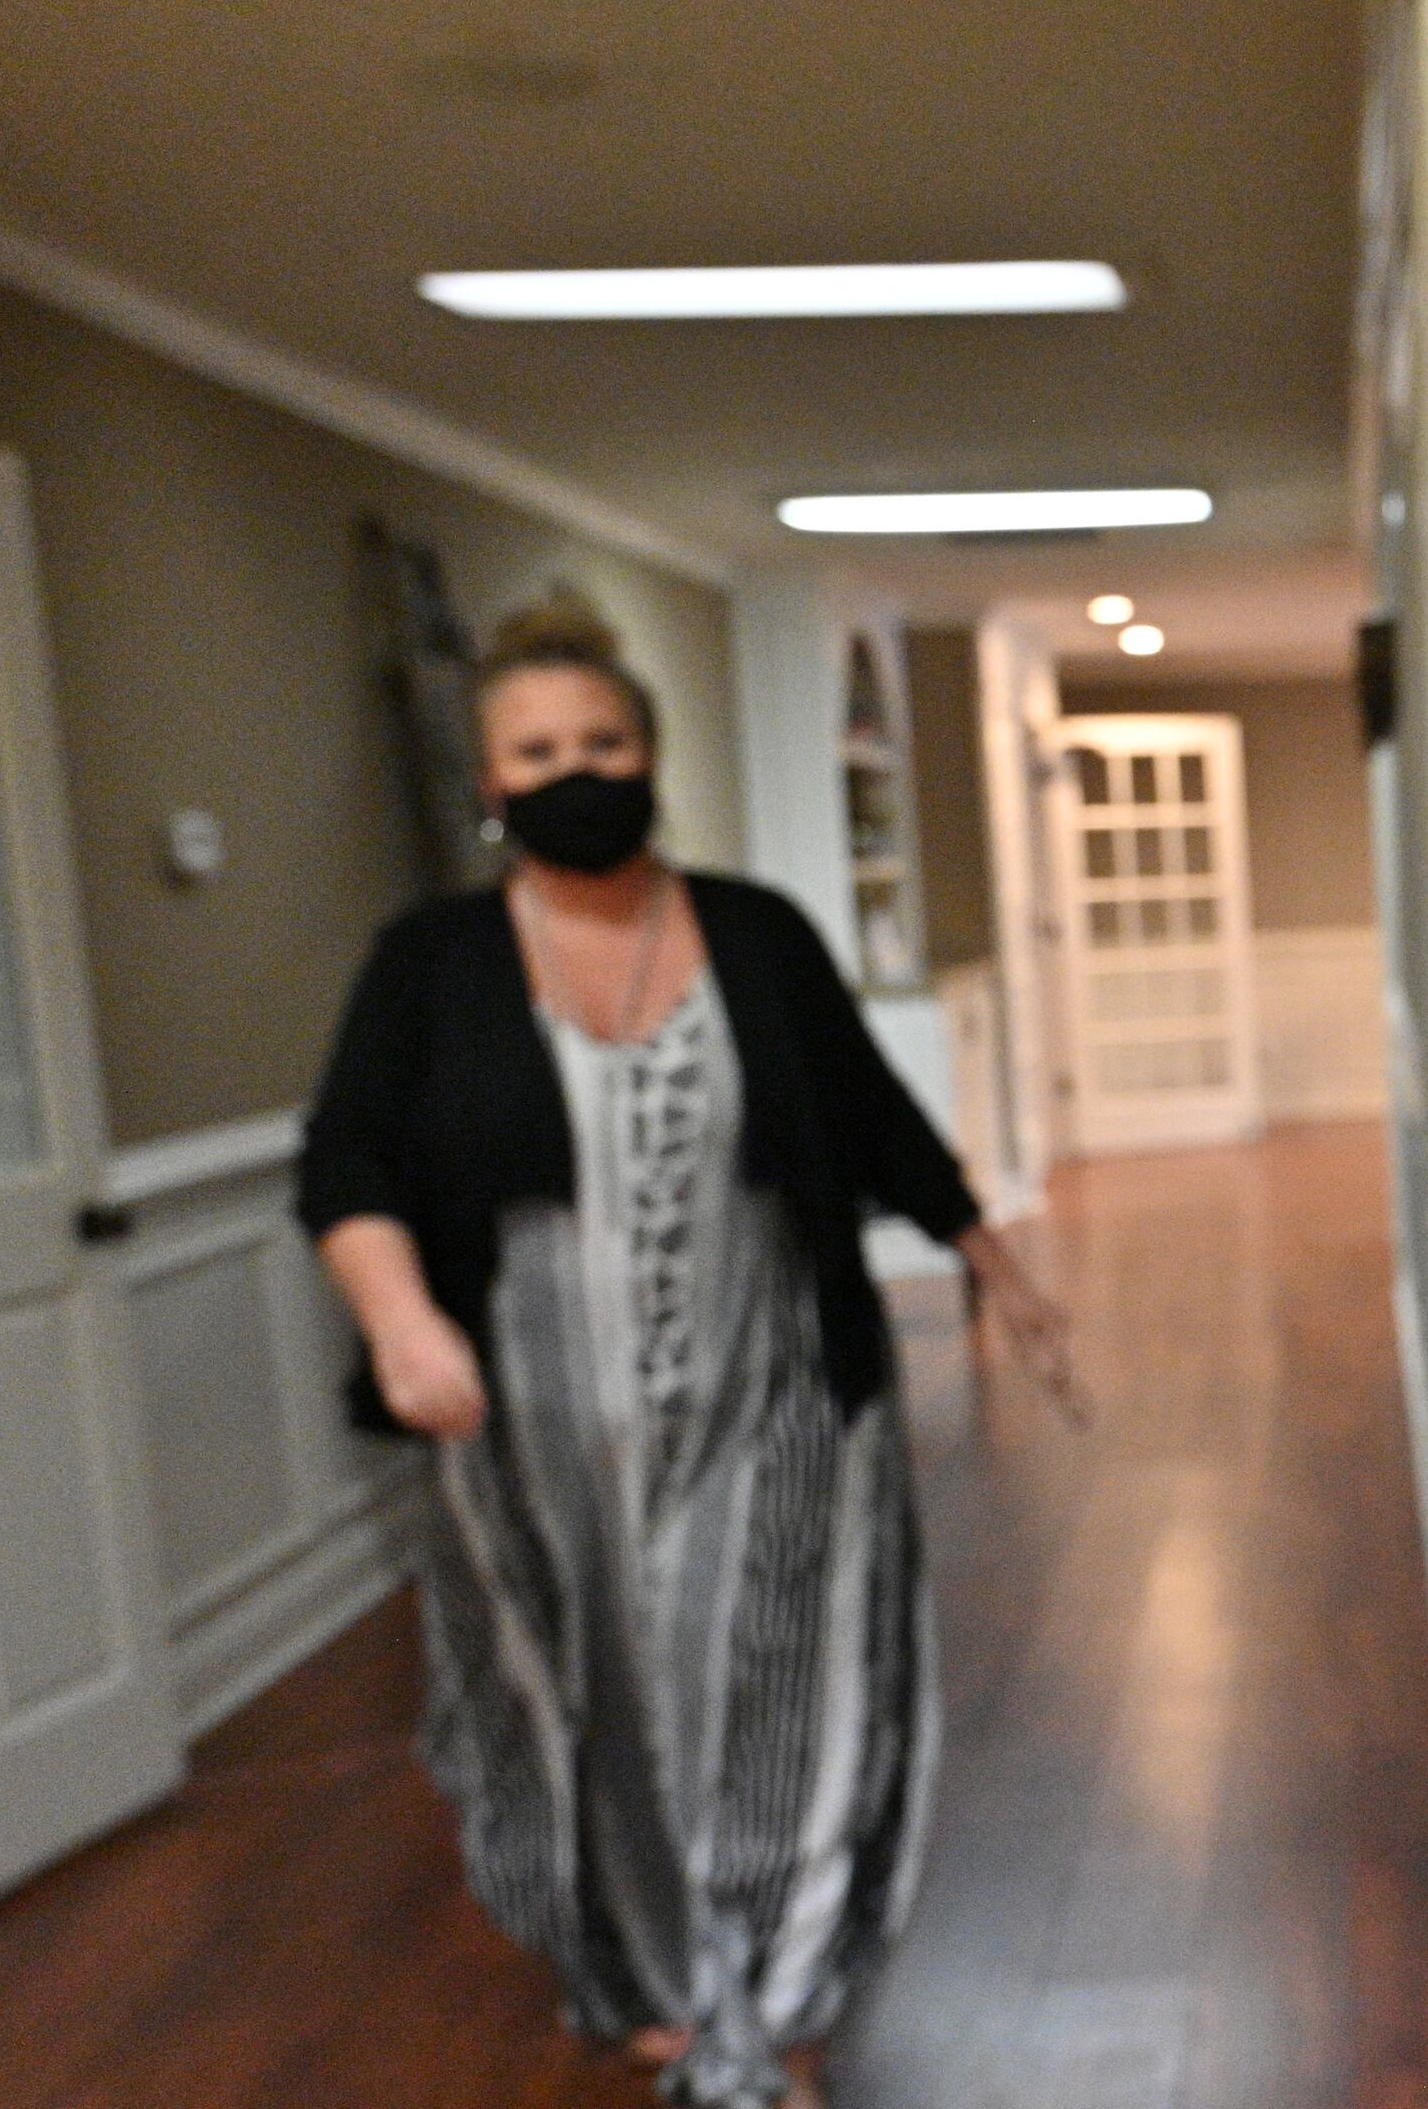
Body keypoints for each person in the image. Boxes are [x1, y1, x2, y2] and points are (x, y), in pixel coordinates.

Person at [294, 600, 1065, 2108]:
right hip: (523, 1421)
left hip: (773, 1387)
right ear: (490, 781)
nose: (577, 769)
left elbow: (868, 1116)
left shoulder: (756, 933)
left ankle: (763, 2009)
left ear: (651, 756)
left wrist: (997, 1265)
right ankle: (654, 1971)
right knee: (586, 1703)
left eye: (606, 742)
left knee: (778, 1686)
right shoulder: (430, 962)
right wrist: (400, 1320)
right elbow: (348, 1166)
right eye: (539, 749)